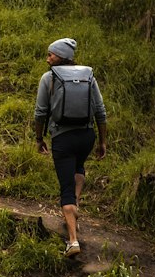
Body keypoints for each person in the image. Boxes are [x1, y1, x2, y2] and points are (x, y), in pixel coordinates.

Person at [33, 37, 107, 256]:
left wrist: (39, 139)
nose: (47, 59)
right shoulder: (88, 76)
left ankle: (73, 241)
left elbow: (40, 113)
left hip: (63, 139)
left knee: (65, 188)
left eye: (51, 55)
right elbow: (100, 111)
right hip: (87, 135)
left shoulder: (48, 79)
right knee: (78, 168)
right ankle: (75, 206)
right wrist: (102, 141)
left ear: (61, 57)